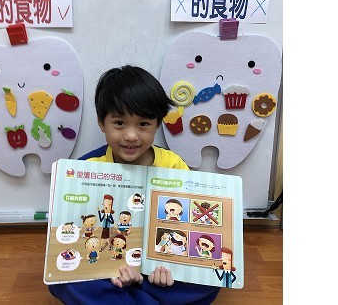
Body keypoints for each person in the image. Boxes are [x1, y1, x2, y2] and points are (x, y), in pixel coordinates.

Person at [48, 65, 220, 305]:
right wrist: (111, 268)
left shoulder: (173, 166)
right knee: (63, 278)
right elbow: (73, 233)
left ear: (157, 124)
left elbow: (186, 227)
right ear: (101, 123)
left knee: (213, 275)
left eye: (143, 124)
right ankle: (137, 296)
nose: (131, 135)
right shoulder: (85, 169)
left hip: (157, 265)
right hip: (108, 264)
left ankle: (127, 298)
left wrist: (165, 268)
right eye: (119, 123)